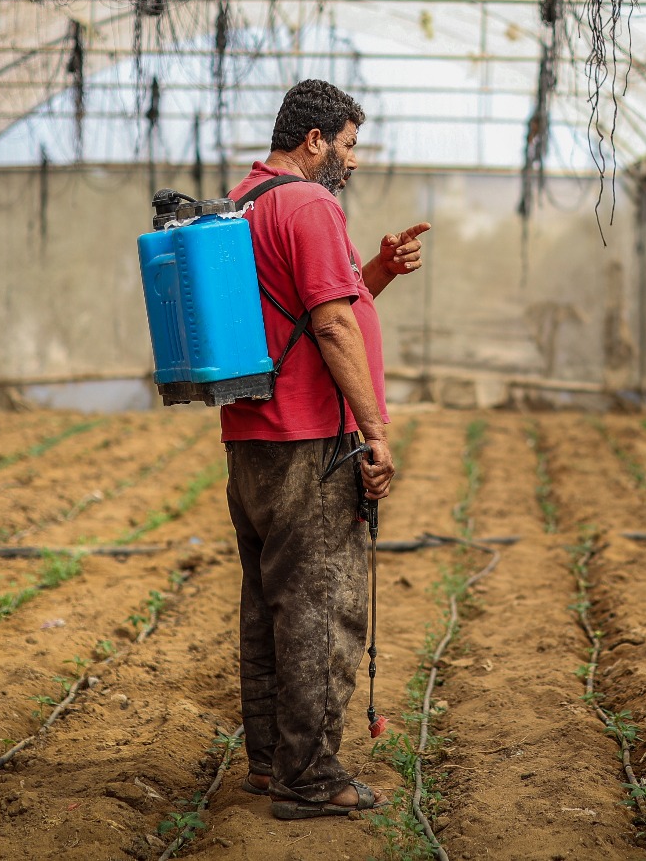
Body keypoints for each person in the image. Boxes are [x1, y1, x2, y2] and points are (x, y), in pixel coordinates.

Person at [221, 79, 430, 819]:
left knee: (269, 604)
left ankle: (270, 764)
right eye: (348, 144)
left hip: (254, 443)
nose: (353, 160)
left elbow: (310, 309)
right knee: (317, 607)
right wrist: (375, 432)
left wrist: (374, 274)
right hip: (311, 441)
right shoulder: (310, 203)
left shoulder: (247, 200)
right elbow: (334, 329)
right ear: (315, 140)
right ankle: (309, 778)